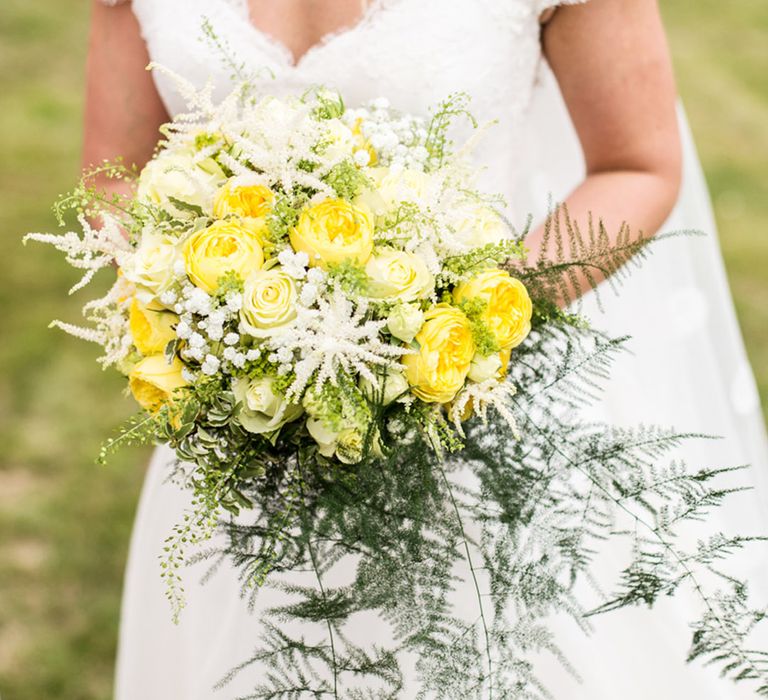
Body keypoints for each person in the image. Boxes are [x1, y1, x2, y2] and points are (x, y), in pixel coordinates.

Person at [84, 0, 768, 697]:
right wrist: (224, 326)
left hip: (476, 417)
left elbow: (637, 166)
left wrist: (457, 315)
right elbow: (113, 178)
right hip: (245, 439)